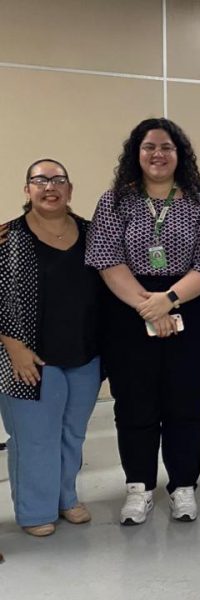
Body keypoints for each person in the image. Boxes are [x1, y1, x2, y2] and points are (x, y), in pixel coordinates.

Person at [86, 118, 200, 525]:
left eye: (166, 147)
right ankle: (139, 488)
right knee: (134, 404)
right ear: (136, 153)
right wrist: (148, 306)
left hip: (189, 306)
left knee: (185, 403)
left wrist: (168, 300)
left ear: (179, 154)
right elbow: (107, 260)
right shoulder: (114, 201)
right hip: (128, 311)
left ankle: (183, 486)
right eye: (149, 146)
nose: (157, 154)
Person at [0, 159, 101, 537]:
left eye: (58, 179)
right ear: (27, 190)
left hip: (84, 355)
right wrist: (15, 348)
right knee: (33, 437)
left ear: (70, 190)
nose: (49, 186)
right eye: (39, 180)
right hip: (27, 357)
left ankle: (66, 498)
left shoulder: (92, 233)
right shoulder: (8, 237)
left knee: (72, 433)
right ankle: (34, 511)